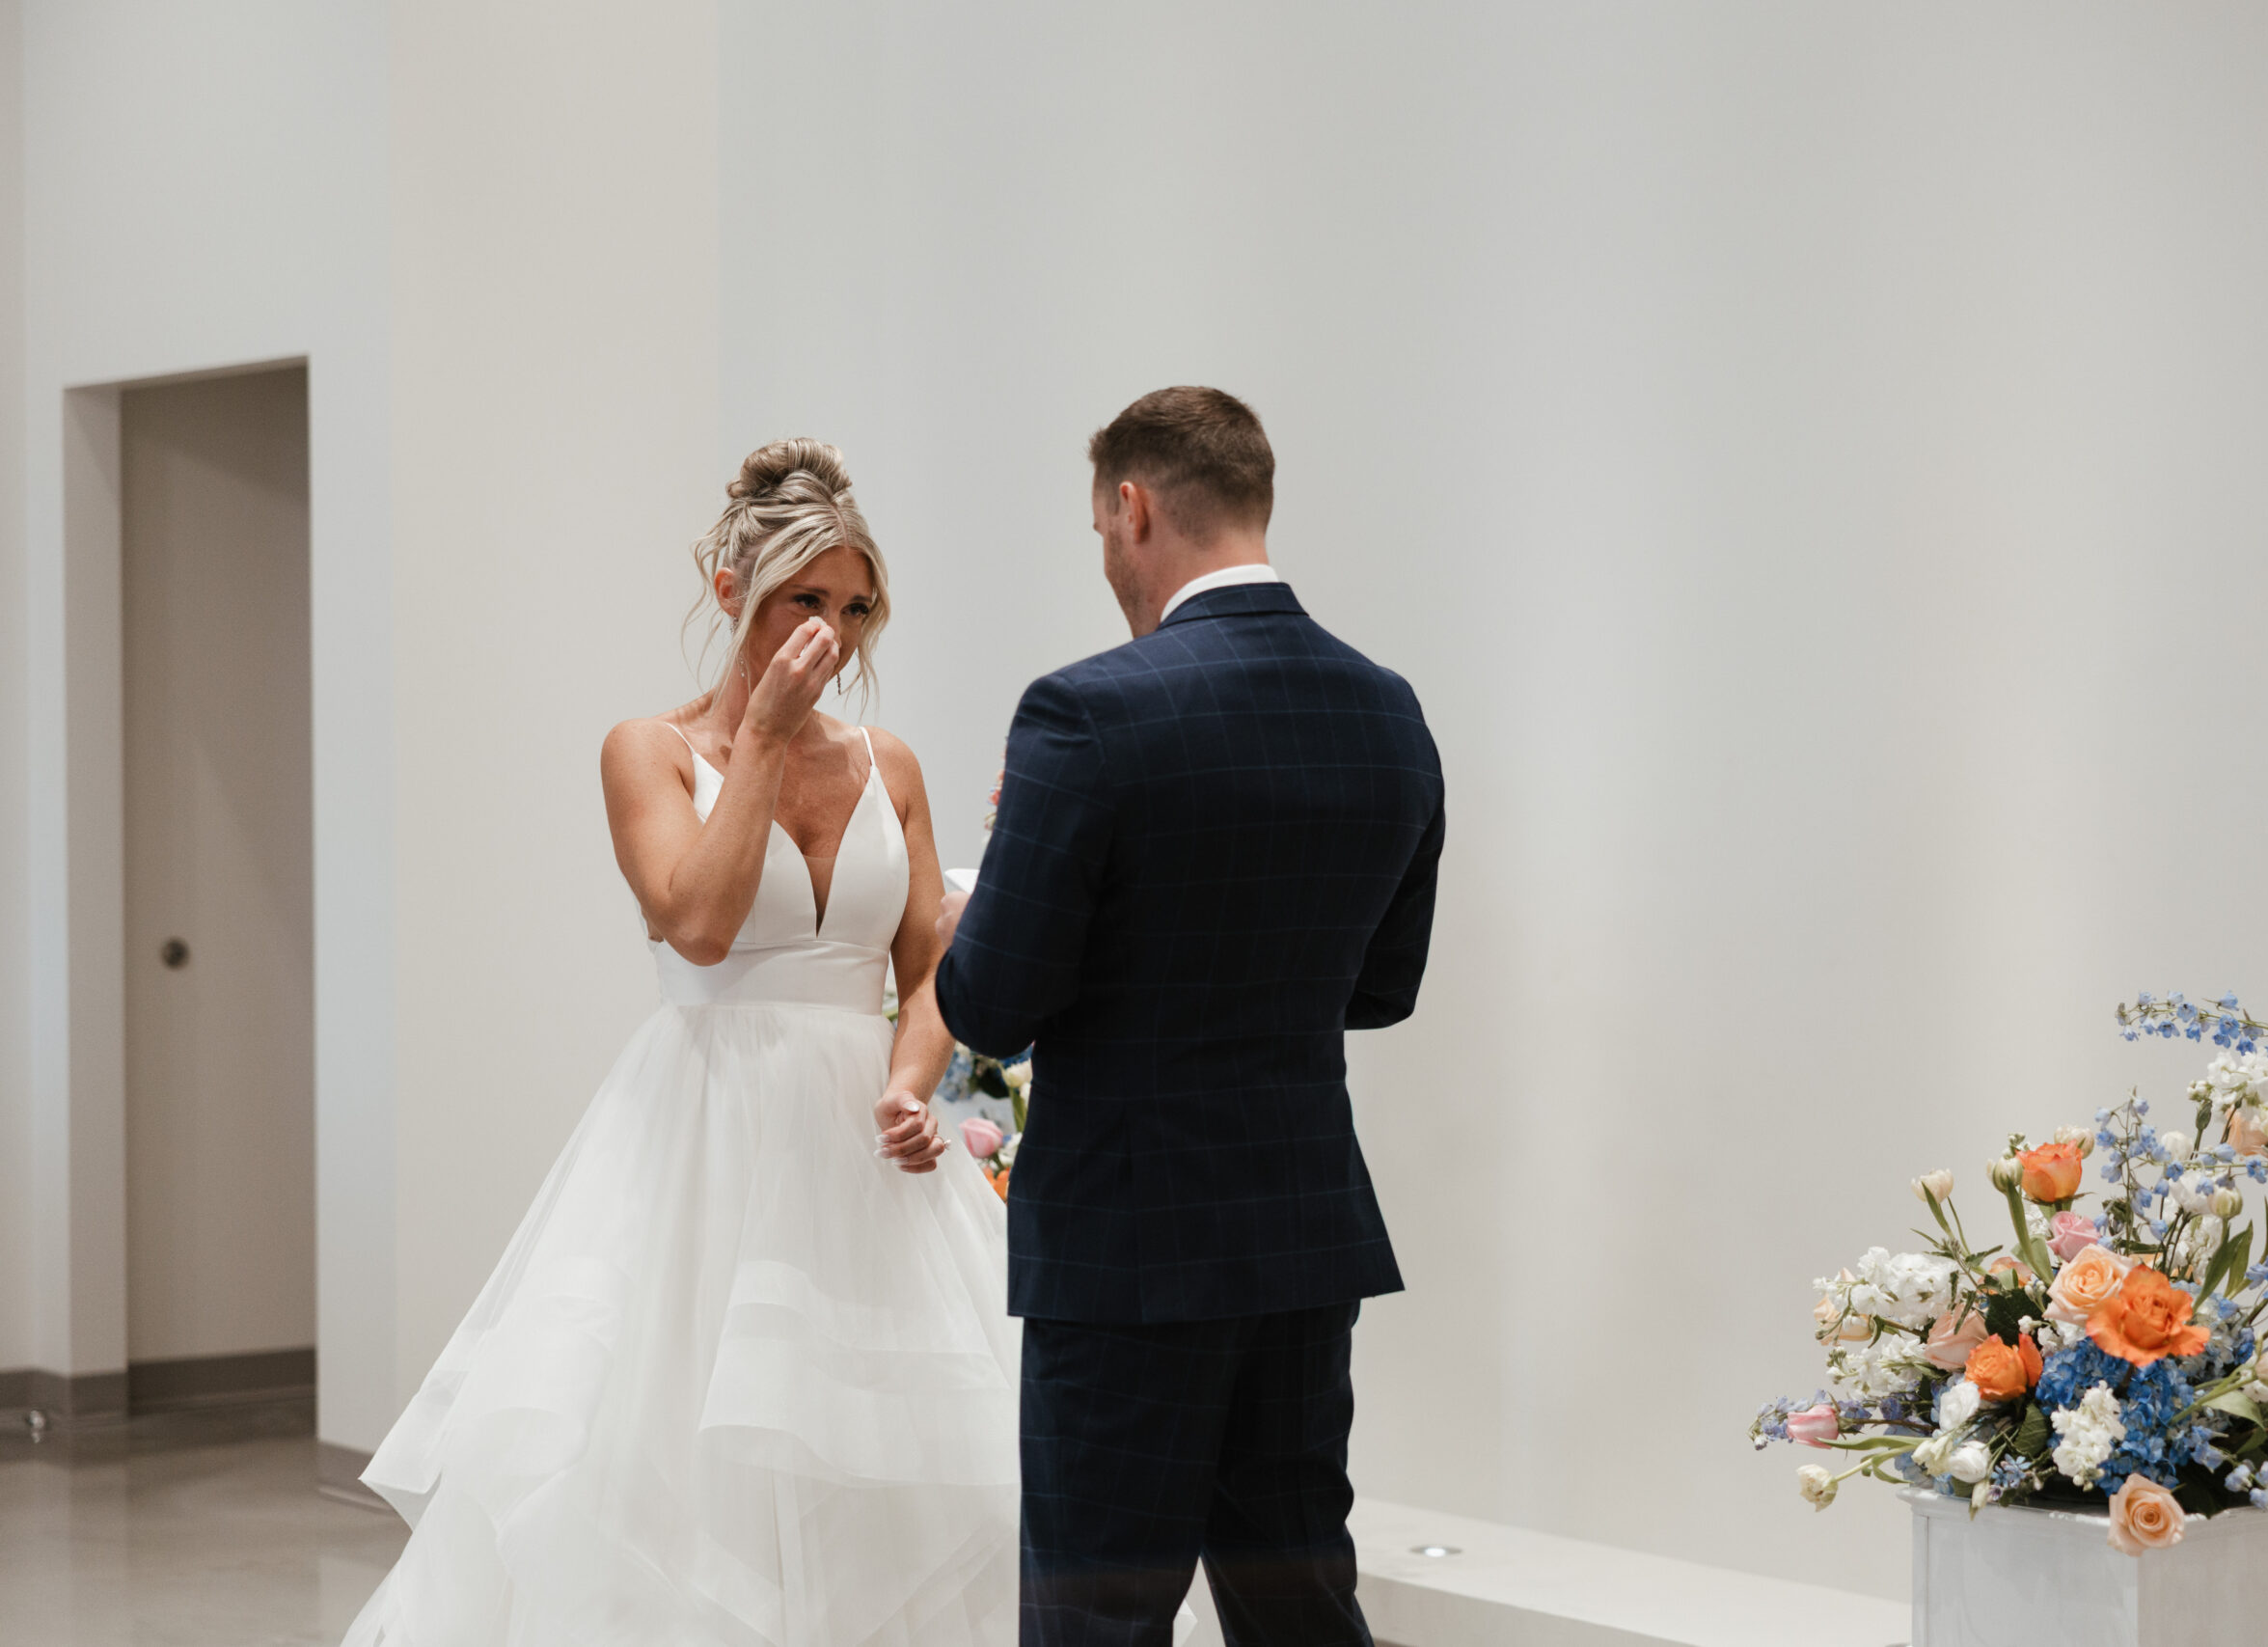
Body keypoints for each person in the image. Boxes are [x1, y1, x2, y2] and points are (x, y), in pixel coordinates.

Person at [342, 441, 1019, 1646]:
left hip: (865, 1154)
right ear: (730, 592)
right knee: (678, 1449)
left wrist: (912, 1087)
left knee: (881, 1459)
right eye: (804, 600)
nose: (832, 633)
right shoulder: (646, 750)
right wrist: (760, 739)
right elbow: (698, 924)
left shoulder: (890, 764)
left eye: (855, 608)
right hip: (706, 1136)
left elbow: (928, 973)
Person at [936, 387, 1446, 1646]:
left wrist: (979, 905)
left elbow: (990, 1003)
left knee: (1097, 1618)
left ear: (1133, 507)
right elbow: (1382, 989)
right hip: (1300, 1235)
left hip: (1128, 1248)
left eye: (1099, 529)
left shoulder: (1087, 711)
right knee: (1299, 1610)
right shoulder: (1386, 707)